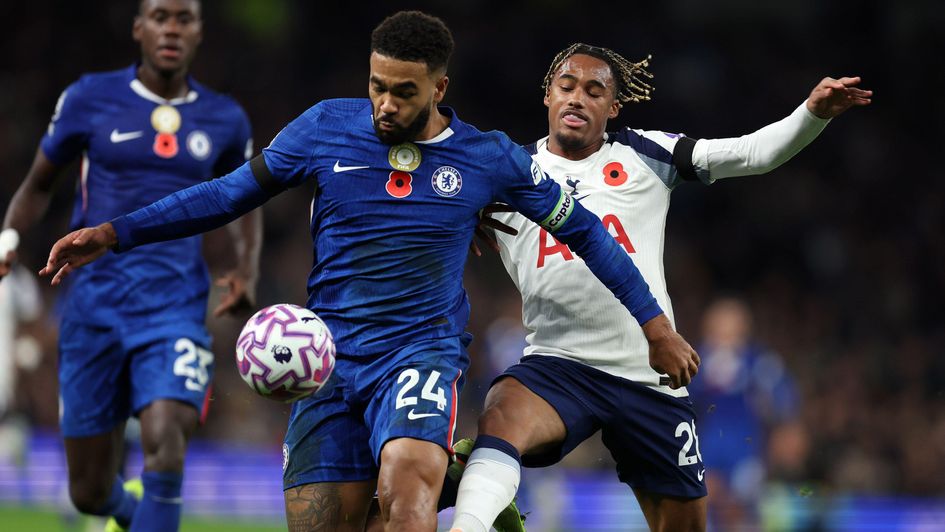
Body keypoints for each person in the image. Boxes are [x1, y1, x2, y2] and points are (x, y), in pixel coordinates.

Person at [38, 12, 698, 532]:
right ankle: (477, 495)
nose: (383, 104)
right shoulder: (324, 128)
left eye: (403, 93)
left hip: (418, 356)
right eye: (376, 86)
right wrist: (115, 232)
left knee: (408, 501)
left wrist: (655, 327)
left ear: (439, 89)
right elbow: (227, 193)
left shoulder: (488, 158)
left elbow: (586, 233)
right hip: (326, 362)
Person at [448, 43, 871, 532]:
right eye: (566, 86)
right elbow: (432, 208)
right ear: (547, 95)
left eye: (594, 90)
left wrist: (811, 115)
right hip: (558, 365)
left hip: (650, 373)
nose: (577, 99)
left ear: (614, 106)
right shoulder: (506, 174)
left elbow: (751, 153)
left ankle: (466, 485)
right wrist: (461, 217)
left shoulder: (649, 153)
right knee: (500, 418)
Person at [0, 0, 261, 530]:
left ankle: (153, 508)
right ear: (139, 28)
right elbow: (38, 185)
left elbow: (248, 196)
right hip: (92, 307)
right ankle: (129, 514)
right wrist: (9, 237)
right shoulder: (89, 97)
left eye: (183, 18)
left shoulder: (225, 118)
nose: (171, 28)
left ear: (199, 32)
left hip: (174, 308)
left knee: (167, 440)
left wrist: (247, 269)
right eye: (160, 17)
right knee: (90, 493)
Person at [687, 298, 800, 529]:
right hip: (706, 449)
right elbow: (678, 399)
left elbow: (783, 395)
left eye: (731, 329)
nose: (724, 338)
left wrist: (786, 428)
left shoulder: (757, 360)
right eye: (718, 329)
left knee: (743, 508)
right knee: (703, 504)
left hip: (745, 451)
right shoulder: (693, 360)